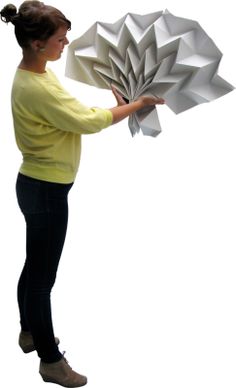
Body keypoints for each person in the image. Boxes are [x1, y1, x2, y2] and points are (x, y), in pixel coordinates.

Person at [0, 1, 165, 387]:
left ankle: (29, 330)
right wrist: (138, 104)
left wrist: (117, 104)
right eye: (60, 38)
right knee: (43, 277)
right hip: (46, 191)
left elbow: (72, 110)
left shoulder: (36, 74)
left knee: (35, 266)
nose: (66, 43)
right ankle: (50, 360)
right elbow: (86, 122)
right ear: (38, 44)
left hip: (37, 185)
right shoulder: (36, 85)